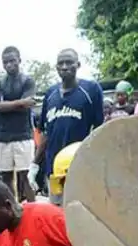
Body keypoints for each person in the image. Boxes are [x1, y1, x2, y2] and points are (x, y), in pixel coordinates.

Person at [37, 49, 104, 205]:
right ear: (56, 67)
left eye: (69, 62)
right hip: (54, 167)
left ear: (78, 65)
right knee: (57, 211)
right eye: (61, 63)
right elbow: (46, 132)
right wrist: (35, 163)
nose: (65, 67)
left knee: (80, 210)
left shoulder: (91, 90)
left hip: (80, 164)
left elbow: (99, 127)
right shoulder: (50, 94)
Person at [0, 46, 36, 202]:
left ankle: (33, 212)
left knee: (26, 178)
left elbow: (28, 104)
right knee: (6, 179)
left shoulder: (27, 80)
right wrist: (20, 103)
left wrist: (6, 105)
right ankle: (12, 212)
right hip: (3, 137)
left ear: (19, 60)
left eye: (12, 61)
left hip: (23, 135)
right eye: (5, 62)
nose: (9, 65)